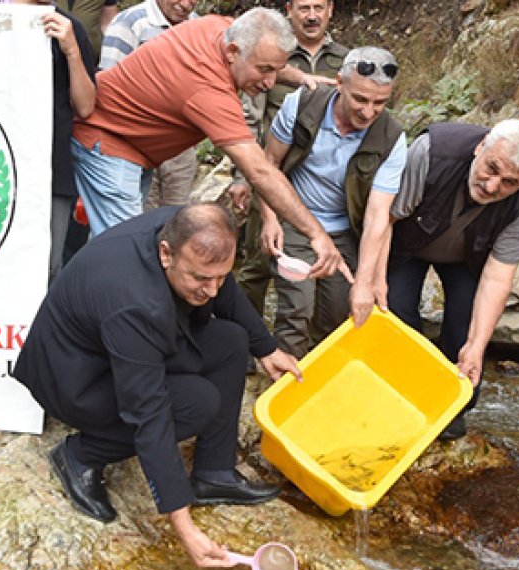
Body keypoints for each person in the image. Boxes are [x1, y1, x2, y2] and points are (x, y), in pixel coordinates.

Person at [14, 203, 301, 567]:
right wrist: (184, 526)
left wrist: (266, 348)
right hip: (76, 378)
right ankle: (81, 455)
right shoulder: (134, 304)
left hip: (120, 347)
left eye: (220, 277)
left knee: (231, 341)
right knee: (198, 402)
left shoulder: (186, 228)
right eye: (199, 279)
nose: (212, 291)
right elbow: (147, 412)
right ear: (166, 254)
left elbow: (220, 287)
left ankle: (214, 473)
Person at [70, 8, 349, 280]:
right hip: (106, 144)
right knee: (126, 256)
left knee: (109, 247)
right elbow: (260, 171)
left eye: (276, 70)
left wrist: (300, 77)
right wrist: (315, 233)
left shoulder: (220, 28)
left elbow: (263, 56)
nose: (270, 82)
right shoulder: (208, 89)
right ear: (232, 53)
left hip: (136, 147)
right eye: (264, 70)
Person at [361, 120, 519, 441]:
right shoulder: (433, 151)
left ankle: (451, 408)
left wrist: (476, 346)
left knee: (466, 334)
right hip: (405, 244)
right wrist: (374, 280)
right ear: (482, 146)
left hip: (467, 259)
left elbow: (497, 277)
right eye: (491, 169)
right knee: (396, 314)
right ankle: (400, 395)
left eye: (508, 182)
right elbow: (385, 218)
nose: (492, 186)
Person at [257, 47, 406, 357]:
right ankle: (284, 386)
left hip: (343, 231)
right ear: (339, 83)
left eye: (379, 103)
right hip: (295, 218)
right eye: (360, 100)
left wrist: (366, 281)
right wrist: (270, 220)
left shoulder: (392, 138)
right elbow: (269, 164)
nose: (368, 112)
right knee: (297, 307)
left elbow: (378, 216)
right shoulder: (301, 104)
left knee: (337, 315)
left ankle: (320, 387)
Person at [231, 0, 347, 315]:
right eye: (304, 8)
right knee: (258, 262)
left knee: (321, 263)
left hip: (323, 186)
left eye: (318, 8)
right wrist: (242, 176)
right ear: (290, 10)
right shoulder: (270, 55)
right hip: (270, 173)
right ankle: (247, 342)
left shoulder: (347, 61)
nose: (311, 16)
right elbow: (248, 118)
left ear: (330, 9)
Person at [11, 0, 96, 280]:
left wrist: (71, 50)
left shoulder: (69, 27)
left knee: (46, 265)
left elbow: (85, 106)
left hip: (50, 167)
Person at [98, 0, 198, 212]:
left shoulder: (197, 28)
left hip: (181, 144)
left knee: (177, 219)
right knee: (137, 218)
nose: (186, 4)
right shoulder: (131, 23)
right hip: (135, 141)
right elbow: (106, 89)